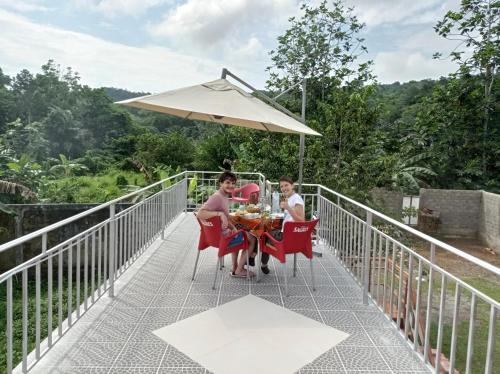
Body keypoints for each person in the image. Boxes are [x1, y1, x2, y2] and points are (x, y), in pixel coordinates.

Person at [197, 171, 257, 278]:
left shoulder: (223, 196)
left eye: (233, 183)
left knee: (238, 231)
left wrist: (233, 226)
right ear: (221, 183)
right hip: (223, 238)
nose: (231, 186)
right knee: (252, 238)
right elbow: (200, 213)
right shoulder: (217, 197)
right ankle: (239, 270)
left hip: (220, 235)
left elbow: (225, 217)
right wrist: (219, 214)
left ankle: (235, 267)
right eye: (227, 182)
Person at [260, 175, 305, 274]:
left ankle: (262, 264)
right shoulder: (291, 198)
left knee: (263, 235)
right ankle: (260, 262)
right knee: (271, 229)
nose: (284, 188)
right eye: (282, 186)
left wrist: (288, 208)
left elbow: (301, 221)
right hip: (292, 236)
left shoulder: (296, 199)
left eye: (286, 185)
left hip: (287, 238)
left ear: (292, 186)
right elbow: (290, 218)